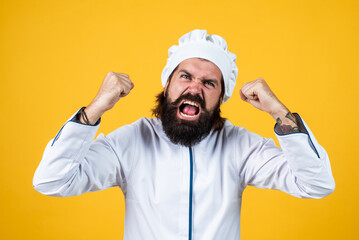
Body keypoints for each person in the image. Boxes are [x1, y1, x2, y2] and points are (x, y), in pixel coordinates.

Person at [33, 29, 335, 240]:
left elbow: (316, 183)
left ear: (220, 98)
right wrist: (96, 107)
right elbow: (52, 180)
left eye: (209, 83)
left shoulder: (240, 146)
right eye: (185, 76)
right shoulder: (132, 141)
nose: (195, 88)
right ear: (167, 86)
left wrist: (278, 111)